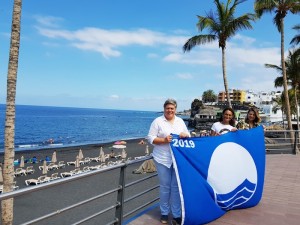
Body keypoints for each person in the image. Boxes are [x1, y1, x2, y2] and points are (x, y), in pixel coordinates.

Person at [147, 98, 190, 225]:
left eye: (172, 108)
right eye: (167, 108)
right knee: (165, 187)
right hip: (162, 159)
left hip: (177, 159)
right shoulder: (158, 121)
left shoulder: (180, 121)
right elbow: (150, 138)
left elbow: (188, 134)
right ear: (164, 109)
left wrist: (185, 135)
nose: (170, 110)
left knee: (176, 188)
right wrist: (164, 140)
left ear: (175, 109)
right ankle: (164, 213)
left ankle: (176, 214)